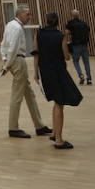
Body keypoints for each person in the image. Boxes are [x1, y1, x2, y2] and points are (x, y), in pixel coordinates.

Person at [0, 5, 52, 139]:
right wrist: (6, 65)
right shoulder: (17, 28)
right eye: (28, 14)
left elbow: (2, 45)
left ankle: (39, 126)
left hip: (13, 61)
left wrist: (5, 62)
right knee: (17, 96)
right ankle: (13, 128)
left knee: (30, 95)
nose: (30, 17)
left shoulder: (9, 25)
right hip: (18, 61)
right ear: (20, 14)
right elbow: (12, 48)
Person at [32, 11, 82, 149]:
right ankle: (59, 140)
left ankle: (55, 133)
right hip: (58, 72)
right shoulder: (60, 36)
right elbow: (67, 57)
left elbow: (35, 55)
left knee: (56, 101)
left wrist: (36, 74)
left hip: (45, 72)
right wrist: (68, 44)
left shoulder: (38, 34)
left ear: (47, 21)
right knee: (60, 103)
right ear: (58, 22)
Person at [66, 9, 92, 85]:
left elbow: (66, 33)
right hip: (84, 45)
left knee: (75, 61)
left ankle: (81, 75)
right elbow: (88, 31)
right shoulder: (84, 23)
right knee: (86, 62)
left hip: (76, 45)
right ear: (78, 15)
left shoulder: (70, 23)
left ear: (72, 15)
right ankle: (89, 79)